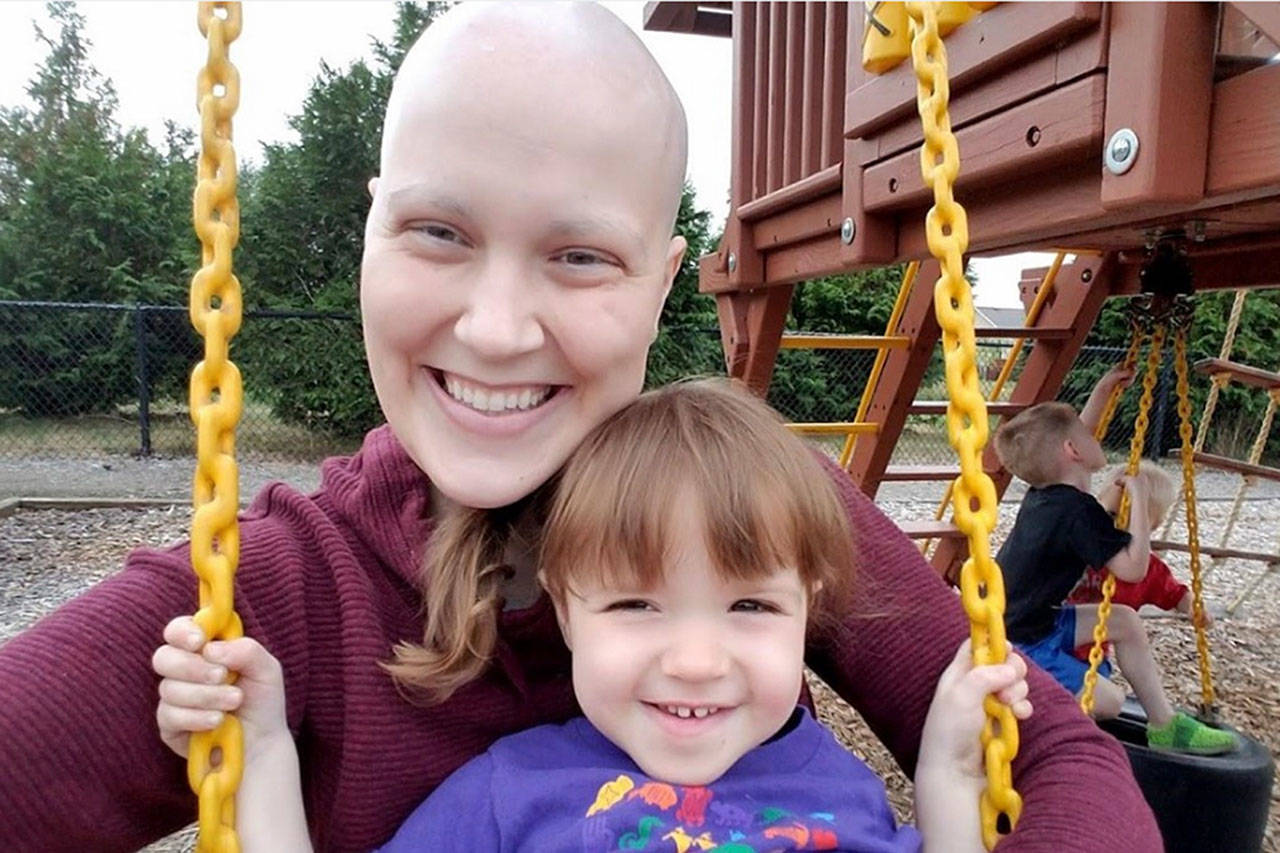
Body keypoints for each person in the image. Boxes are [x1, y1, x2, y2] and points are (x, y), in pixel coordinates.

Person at [0, 4, 1160, 850]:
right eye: (438, 232)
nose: (498, 328)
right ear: (370, 232)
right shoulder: (265, 595)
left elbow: (1049, 754)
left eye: (579, 255)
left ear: (662, 283)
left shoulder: (748, 508)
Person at [155, 380, 1035, 852]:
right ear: (565, 613)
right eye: (636, 604)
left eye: (751, 605)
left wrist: (952, 781)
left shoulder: (839, 791)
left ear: (809, 609)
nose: (696, 660)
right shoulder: (513, 791)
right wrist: (263, 751)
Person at [994, 371, 1236, 754]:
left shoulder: (1046, 492)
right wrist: (1138, 498)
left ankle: (1165, 725)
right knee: (1108, 702)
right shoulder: (1079, 514)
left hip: (1031, 621)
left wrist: (1103, 391)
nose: (1097, 436)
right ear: (1074, 451)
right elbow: (1133, 568)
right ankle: (1018, 715)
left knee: (1124, 619)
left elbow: (1070, 433)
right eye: (1089, 437)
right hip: (1021, 642)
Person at [1066, 460, 1212, 666]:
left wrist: (1193, 608)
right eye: (1111, 514)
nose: (1117, 526)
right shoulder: (1078, 545)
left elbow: (1175, 593)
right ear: (1097, 502)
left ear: (1153, 525)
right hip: (1047, 639)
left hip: (1090, 660)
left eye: (1132, 519)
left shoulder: (1148, 570)